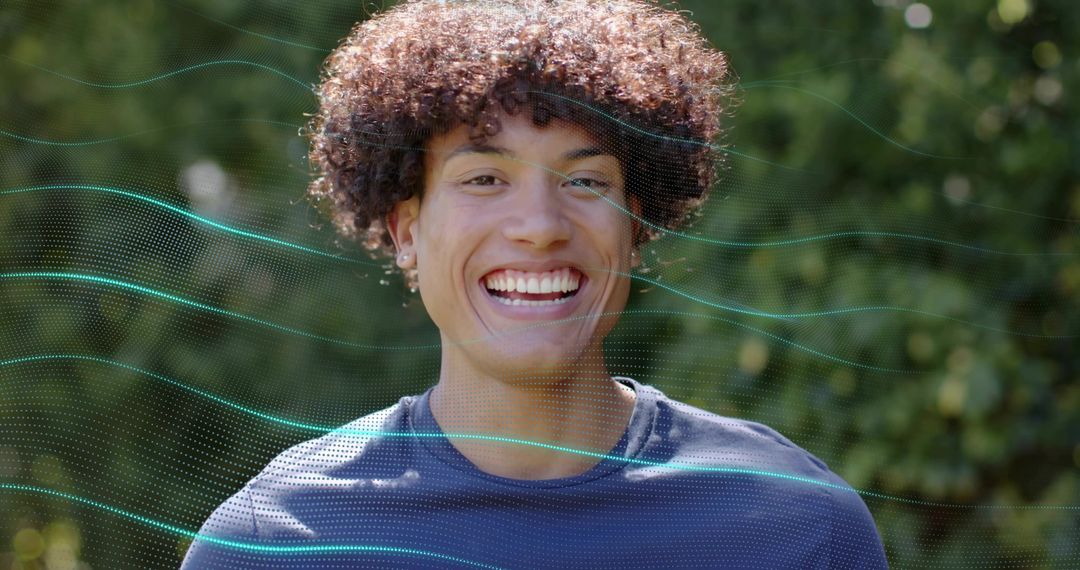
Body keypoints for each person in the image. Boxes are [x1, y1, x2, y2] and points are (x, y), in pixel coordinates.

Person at [181, 0, 888, 567]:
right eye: (484, 178)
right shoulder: (274, 544)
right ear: (405, 232)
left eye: (584, 181)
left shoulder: (798, 529)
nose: (540, 226)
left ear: (634, 228)